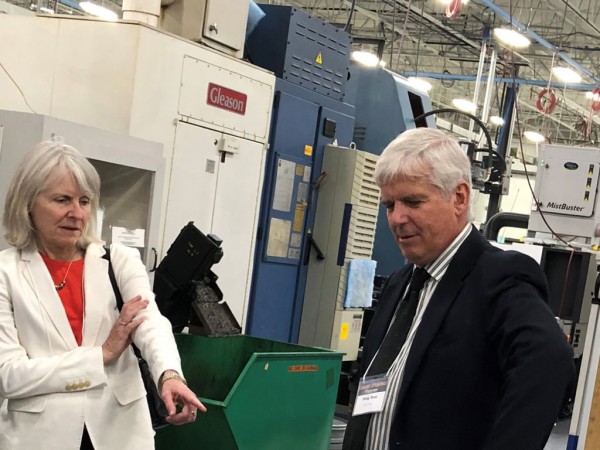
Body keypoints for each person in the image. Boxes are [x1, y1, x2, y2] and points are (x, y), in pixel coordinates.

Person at [343, 127, 574, 450]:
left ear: (460, 197)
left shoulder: (499, 277)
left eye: (412, 201)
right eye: (389, 205)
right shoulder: (401, 284)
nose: (397, 218)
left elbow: (548, 360)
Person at [0, 138, 206, 450]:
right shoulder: (6, 271)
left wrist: (169, 374)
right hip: (40, 437)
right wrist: (102, 356)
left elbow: (150, 321)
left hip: (120, 433)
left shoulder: (118, 260)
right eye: (62, 200)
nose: (76, 213)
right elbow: (10, 376)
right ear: (28, 204)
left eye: (84, 201)